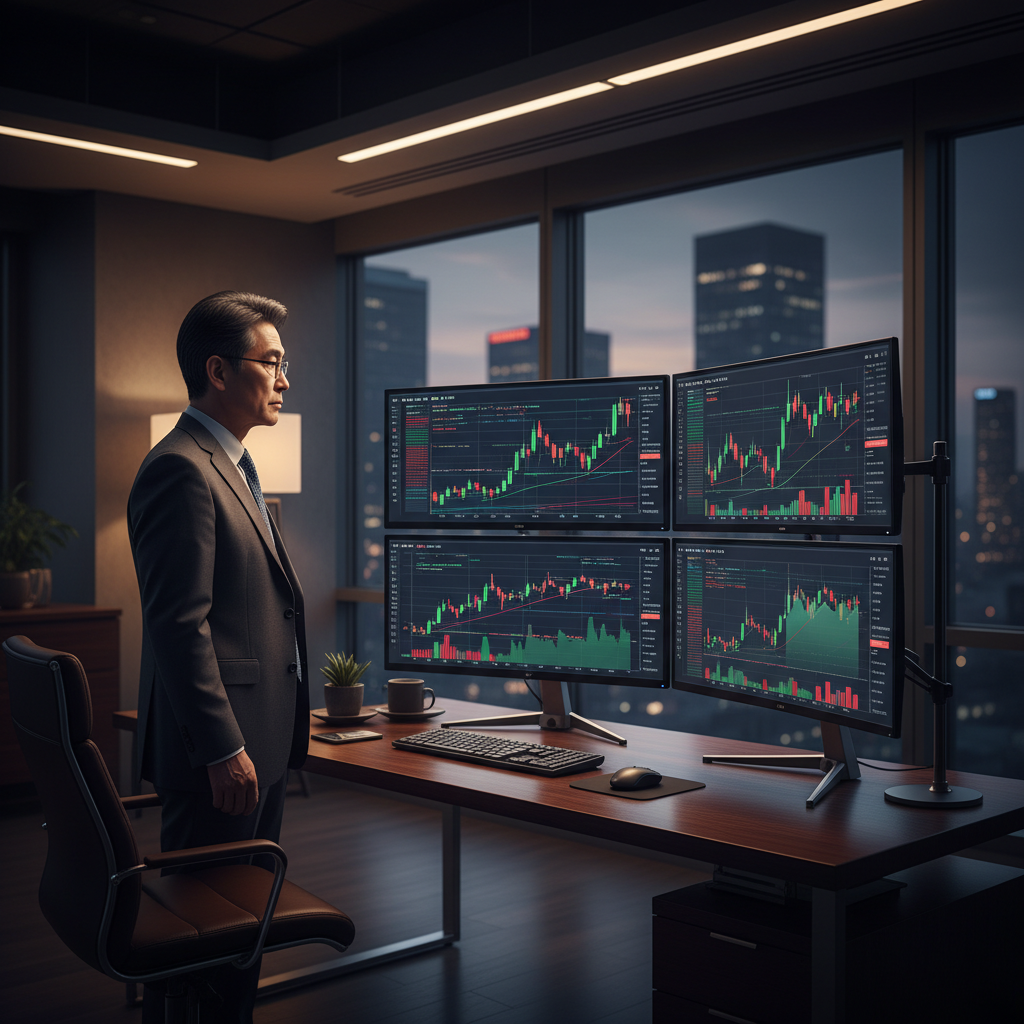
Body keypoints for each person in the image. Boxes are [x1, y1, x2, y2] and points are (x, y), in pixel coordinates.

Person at [128, 291, 308, 1023]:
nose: (285, 380)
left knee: (238, 935)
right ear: (219, 371)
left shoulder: (231, 465)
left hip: (253, 743)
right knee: (203, 944)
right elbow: (179, 625)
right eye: (273, 363)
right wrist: (223, 744)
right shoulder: (181, 468)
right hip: (221, 756)